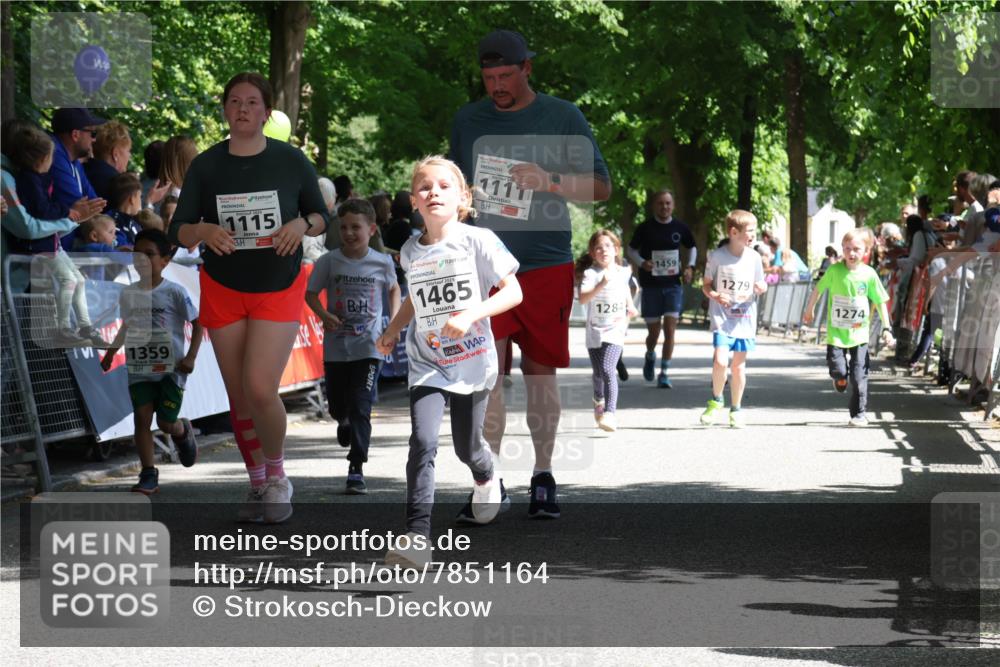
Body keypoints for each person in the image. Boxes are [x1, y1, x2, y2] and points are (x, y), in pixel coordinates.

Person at [449, 29, 611, 518]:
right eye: (489, 76)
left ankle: (543, 475)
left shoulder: (562, 116)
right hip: (486, 268)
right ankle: (489, 481)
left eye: (505, 75)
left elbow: (601, 187)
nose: (497, 85)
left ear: (527, 69)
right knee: (488, 377)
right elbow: (457, 190)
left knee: (540, 376)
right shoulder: (467, 120)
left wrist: (551, 182)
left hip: (544, 264)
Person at [167, 72, 328, 524]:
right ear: (225, 109)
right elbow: (178, 226)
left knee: (260, 388)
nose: (243, 109)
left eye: (252, 102)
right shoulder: (207, 165)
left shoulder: (290, 160)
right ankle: (256, 481)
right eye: (234, 101)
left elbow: (321, 215)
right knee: (239, 396)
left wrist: (301, 225)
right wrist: (202, 231)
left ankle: (277, 475)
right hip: (223, 288)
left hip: (277, 286)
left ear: (266, 111)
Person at [376, 156, 522, 568]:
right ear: (413, 201)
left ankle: (486, 475)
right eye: (425, 187)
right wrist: (392, 330)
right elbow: (414, 300)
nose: (433, 192)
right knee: (422, 442)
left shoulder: (478, 239)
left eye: (443, 186)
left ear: (463, 197)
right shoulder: (409, 250)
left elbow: (514, 293)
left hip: (473, 361)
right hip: (427, 361)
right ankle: (417, 536)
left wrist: (470, 315)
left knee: (467, 446)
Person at [305, 198, 400, 494]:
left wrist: (392, 324)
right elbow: (310, 294)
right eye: (343, 227)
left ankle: (356, 467)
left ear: (371, 229)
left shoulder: (381, 262)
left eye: (355, 227)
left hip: (369, 346)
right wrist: (324, 315)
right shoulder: (329, 261)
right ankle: (342, 420)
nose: (348, 233)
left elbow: (395, 288)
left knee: (362, 404)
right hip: (336, 346)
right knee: (337, 405)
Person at [100, 229, 202, 494]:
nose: (142, 259)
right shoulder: (128, 294)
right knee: (142, 419)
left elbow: (199, 323)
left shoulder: (174, 292)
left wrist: (190, 357)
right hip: (140, 367)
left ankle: (182, 431)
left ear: (165, 260)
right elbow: (126, 326)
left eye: (149, 254)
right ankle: (148, 473)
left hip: (172, 369)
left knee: (166, 423)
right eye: (137, 254)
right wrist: (111, 352)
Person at [4, 121, 104, 346]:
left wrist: (74, 216)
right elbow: (33, 221)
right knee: (68, 279)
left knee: (77, 279)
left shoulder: (34, 178)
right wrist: (70, 215)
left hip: (48, 244)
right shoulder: (19, 179)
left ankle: (84, 325)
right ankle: (63, 327)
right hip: (36, 250)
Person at [803, 229, 892, 427]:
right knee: (839, 371)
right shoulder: (834, 271)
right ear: (842, 249)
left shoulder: (869, 274)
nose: (852, 253)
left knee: (859, 376)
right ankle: (839, 379)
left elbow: (880, 301)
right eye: (848, 249)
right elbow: (818, 289)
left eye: (857, 249)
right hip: (836, 334)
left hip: (859, 334)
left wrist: (887, 328)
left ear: (866, 251)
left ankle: (859, 414)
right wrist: (810, 309)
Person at [699, 210, 767, 428]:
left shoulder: (755, 258)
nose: (753, 235)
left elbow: (762, 283)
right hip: (722, 317)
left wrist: (761, 287)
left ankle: (736, 409)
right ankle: (716, 399)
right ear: (733, 232)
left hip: (745, 317)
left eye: (754, 231)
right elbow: (706, 284)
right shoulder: (717, 256)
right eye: (749, 231)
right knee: (720, 360)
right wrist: (716, 295)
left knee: (738, 368)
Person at [626, 189, 696, 387]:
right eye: (660, 203)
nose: (664, 207)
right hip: (651, 285)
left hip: (673, 285)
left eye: (668, 203)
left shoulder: (680, 227)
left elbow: (692, 246)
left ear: (673, 206)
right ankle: (650, 355)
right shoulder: (645, 228)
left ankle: (664, 372)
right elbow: (631, 249)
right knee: (654, 333)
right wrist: (642, 263)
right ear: (654, 206)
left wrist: (690, 267)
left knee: (670, 330)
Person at [578, 230, 637, 432]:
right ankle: (598, 398)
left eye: (608, 246)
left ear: (616, 249)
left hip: (616, 329)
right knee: (598, 373)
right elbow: (583, 299)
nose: (604, 250)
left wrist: (631, 305)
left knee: (607, 369)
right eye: (599, 247)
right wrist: (601, 284)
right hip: (595, 330)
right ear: (592, 253)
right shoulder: (590, 274)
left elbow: (626, 289)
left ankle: (610, 413)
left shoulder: (623, 271)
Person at [47, 108, 107, 214]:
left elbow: (95, 204)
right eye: (92, 133)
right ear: (75, 135)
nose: (94, 139)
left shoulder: (73, 160)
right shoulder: (53, 154)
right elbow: (81, 209)